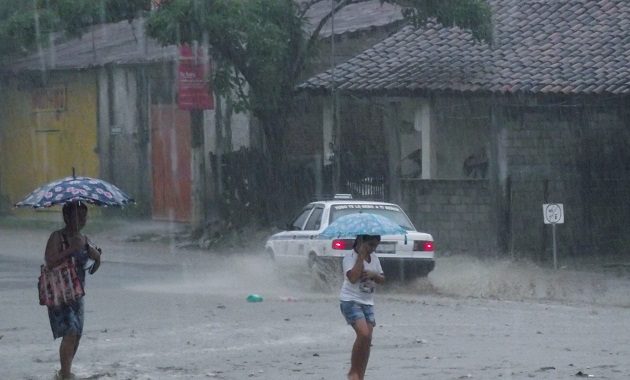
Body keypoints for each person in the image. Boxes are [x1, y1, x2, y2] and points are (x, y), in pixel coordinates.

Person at [44, 201, 102, 380]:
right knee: (70, 332)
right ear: (66, 217)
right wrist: (71, 249)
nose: (82, 220)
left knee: (76, 335)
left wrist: (96, 256)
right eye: (78, 216)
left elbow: (93, 263)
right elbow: (50, 261)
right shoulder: (57, 237)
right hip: (60, 292)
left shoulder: (84, 238)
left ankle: (63, 371)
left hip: (78, 293)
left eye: (84, 216)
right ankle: (66, 374)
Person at [339, 234, 386, 380]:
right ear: (360, 242)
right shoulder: (349, 257)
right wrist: (361, 256)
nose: (372, 249)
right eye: (370, 245)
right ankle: (353, 371)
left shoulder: (375, 259)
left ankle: (360, 375)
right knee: (363, 334)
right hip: (351, 301)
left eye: (375, 246)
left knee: (367, 340)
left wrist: (373, 274)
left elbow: (382, 280)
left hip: (368, 303)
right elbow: (352, 278)